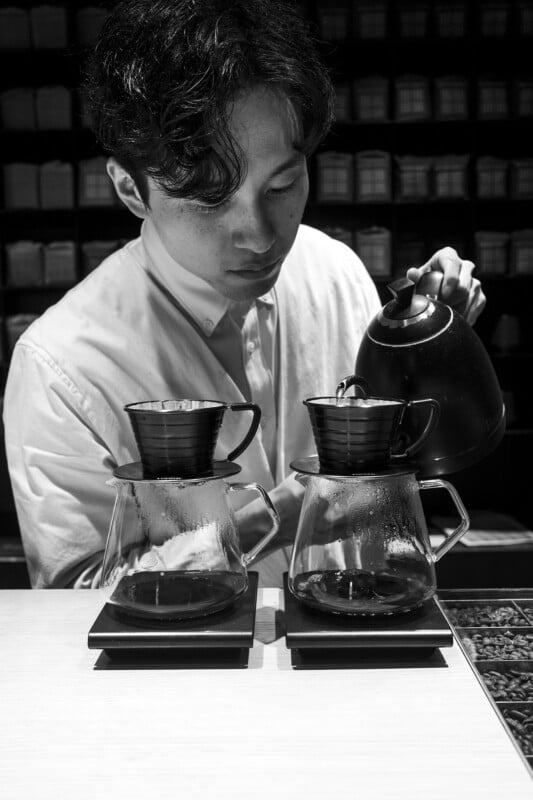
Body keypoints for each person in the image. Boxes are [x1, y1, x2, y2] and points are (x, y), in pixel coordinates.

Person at [2, 0, 485, 589]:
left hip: (347, 651)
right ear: (131, 189)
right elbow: (73, 599)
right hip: (177, 682)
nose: (259, 235)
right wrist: (283, 514)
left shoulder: (335, 272)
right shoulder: (61, 365)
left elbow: (391, 472)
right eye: (209, 200)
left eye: (282, 183)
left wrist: (429, 351)